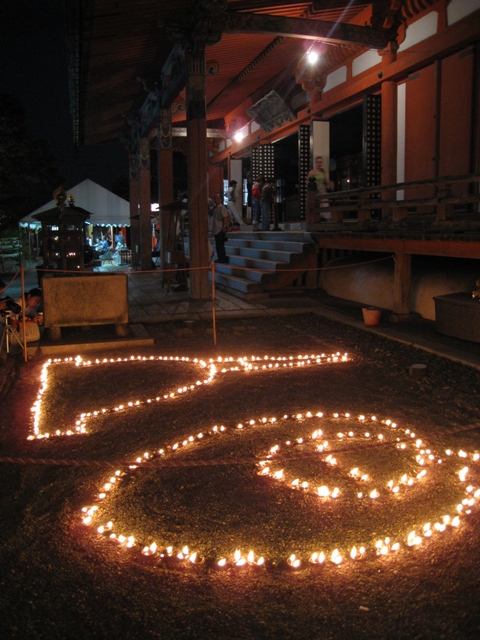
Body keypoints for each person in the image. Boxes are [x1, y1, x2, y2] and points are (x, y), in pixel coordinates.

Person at [307, 156, 334, 221]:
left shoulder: (323, 172)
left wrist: (331, 184)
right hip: (316, 191)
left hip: (323, 191)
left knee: (325, 206)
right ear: (316, 163)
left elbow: (327, 182)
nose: (319, 164)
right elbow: (307, 182)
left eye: (320, 162)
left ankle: (326, 222)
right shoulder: (312, 172)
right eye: (318, 162)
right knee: (316, 207)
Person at [210, 193, 230, 264]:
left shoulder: (222, 207)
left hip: (220, 228)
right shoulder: (215, 208)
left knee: (220, 245)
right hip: (216, 228)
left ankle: (222, 258)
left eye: (217, 198)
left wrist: (224, 226)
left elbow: (225, 217)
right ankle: (220, 257)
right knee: (218, 245)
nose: (216, 200)